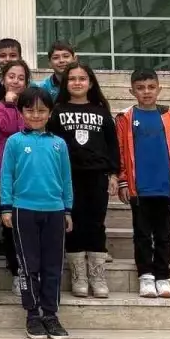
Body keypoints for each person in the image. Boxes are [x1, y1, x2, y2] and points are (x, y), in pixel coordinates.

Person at [0, 86, 73, 339]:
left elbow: (66, 178)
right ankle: (32, 314)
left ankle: (50, 314)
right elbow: (6, 175)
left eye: (41, 110)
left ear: (50, 113)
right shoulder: (14, 142)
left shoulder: (59, 144)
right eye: (30, 110)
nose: (36, 115)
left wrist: (67, 209)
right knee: (28, 265)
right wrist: (6, 207)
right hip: (23, 210)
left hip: (55, 211)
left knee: (53, 265)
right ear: (21, 112)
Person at [116, 68, 170, 299]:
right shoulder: (125, 118)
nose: (146, 92)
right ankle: (146, 277)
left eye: (151, 87)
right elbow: (120, 152)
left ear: (159, 89)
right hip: (139, 189)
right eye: (140, 88)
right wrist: (122, 181)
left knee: (164, 235)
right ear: (132, 91)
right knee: (142, 234)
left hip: (164, 187)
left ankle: (163, 277)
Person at [52, 61, 120, 299]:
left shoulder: (101, 111)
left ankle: (97, 275)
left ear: (91, 83)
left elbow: (112, 145)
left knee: (96, 223)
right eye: (72, 79)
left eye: (82, 78)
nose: (77, 83)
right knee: (73, 223)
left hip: (97, 175)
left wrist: (114, 174)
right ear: (65, 83)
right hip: (69, 176)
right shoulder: (57, 111)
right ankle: (79, 276)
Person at [0, 60, 30, 294]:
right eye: (11, 76)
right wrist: (8, 103)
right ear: (3, 79)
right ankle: (16, 272)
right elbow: (7, 127)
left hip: (28, 169)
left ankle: (30, 268)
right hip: (2, 169)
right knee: (9, 223)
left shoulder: (31, 107)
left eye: (21, 78)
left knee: (27, 221)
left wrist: (18, 106)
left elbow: (26, 129)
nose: (16, 81)